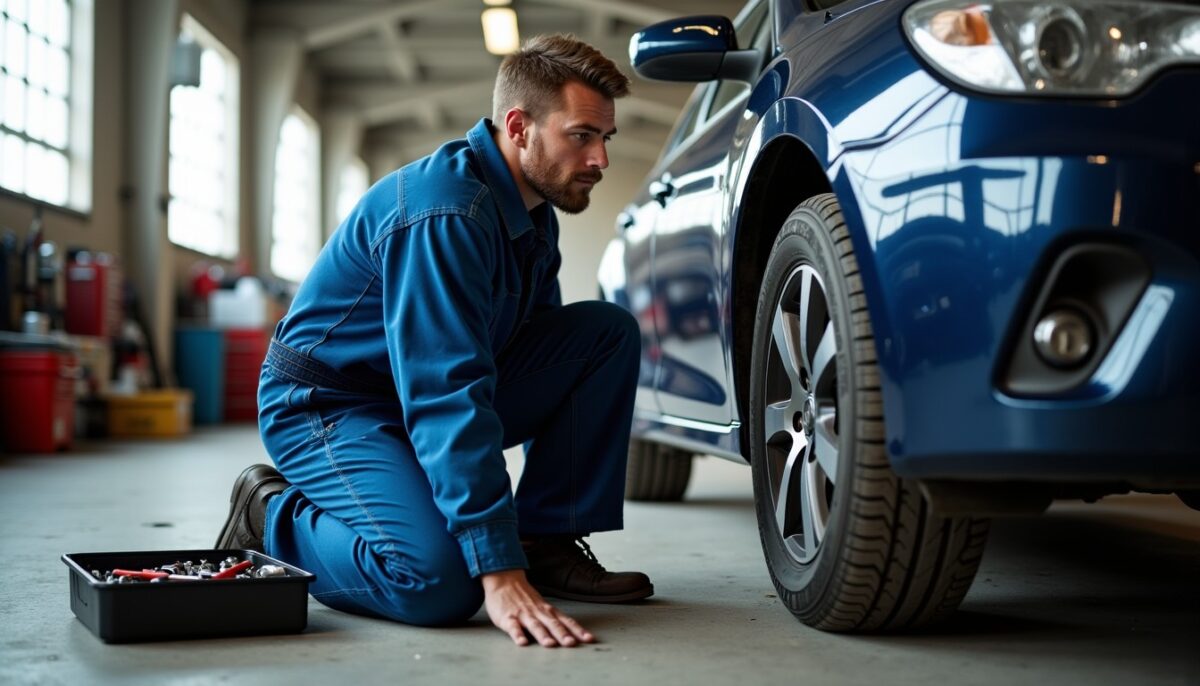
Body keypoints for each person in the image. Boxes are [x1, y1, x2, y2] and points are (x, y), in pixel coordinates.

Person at [215, 34, 650, 649]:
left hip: (412, 393)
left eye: (606, 138)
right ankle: (271, 515)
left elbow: (531, 348)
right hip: (329, 407)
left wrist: (511, 542)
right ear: (520, 127)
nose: (600, 158)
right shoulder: (447, 213)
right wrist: (495, 568)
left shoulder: (532, 210)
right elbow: (446, 389)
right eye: (581, 135)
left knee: (604, 334)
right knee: (438, 583)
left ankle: (546, 540)